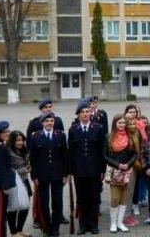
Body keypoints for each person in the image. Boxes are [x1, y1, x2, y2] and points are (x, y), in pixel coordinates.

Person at [68, 100, 106, 235]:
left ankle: (93, 224)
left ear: (90, 113)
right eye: (82, 112)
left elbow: (102, 151)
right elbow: (71, 152)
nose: (85, 114)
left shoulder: (98, 128)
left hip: (94, 170)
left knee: (94, 198)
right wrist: (70, 170)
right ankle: (83, 225)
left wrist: (103, 170)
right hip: (79, 170)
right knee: (81, 198)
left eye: (87, 111)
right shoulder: (73, 130)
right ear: (78, 115)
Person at [29, 113, 69, 237]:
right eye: (47, 121)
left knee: (57, 202)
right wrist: (34, 176)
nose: (50, 123)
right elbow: (32, 158)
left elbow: (65, 156)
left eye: (52, 121)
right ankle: (46, 226)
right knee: (43, 202)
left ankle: (56, 227)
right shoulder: (35, 137)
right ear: (42, 123)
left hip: (57, 174)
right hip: (42, 175)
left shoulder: (60, 135)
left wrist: (65, 174)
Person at [104, 114, 139, 233]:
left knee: (124, 198)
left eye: (124, 123)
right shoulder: (109, 137)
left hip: (128, 171)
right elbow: (105, 156)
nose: (122, 125)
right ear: (115, 124)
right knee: (115, 198)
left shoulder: (130, 136)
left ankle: (120, 222)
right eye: (119, 123)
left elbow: (135, 153)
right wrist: (118, 165)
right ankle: (113, 223)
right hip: (114, 171)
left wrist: (128, 164)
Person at [7, 130, 32, 237]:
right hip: (14, 182)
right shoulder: (8, 152)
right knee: (13, 207)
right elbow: (6, 168)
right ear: (12, 141)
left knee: (25, 205)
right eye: (18, 140)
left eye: (22, 140)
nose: (20, 143)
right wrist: (20, 170)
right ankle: (13, 233)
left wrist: (29, 167)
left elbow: (28, 163)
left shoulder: (24, 150)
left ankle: (20, 230)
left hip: (24, 180)